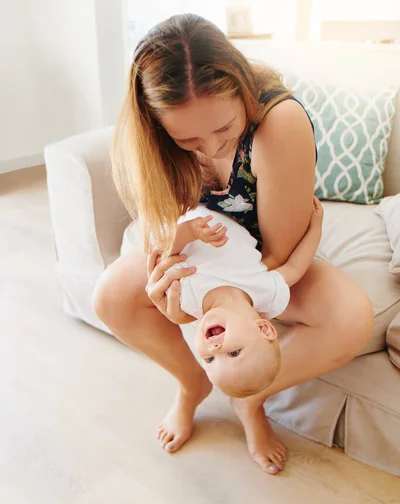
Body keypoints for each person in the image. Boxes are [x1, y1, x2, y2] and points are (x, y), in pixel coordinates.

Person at [93, 14, 374, 475]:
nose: (213, 147)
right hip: (202, 257)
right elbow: (165, 237)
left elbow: (279, 255)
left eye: (225, 129)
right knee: (109, 296)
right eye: (188, 139)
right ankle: (191, 384)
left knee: (350, 316)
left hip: (259, 257)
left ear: (242, 88)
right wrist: (178, 302)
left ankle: (250, 399)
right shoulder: (154, 143)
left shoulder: (278, 122)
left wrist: (222, 303)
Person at [162, 198, 323, 405]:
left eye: (209, 360)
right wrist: (316, 228)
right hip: (234, 209)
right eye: (233, 353)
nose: (215, 349)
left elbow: (165, 250)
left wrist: (190, 231)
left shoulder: (186, 298)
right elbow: (295, 267)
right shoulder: (266, 292)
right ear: (264, 329)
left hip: (187, 207)